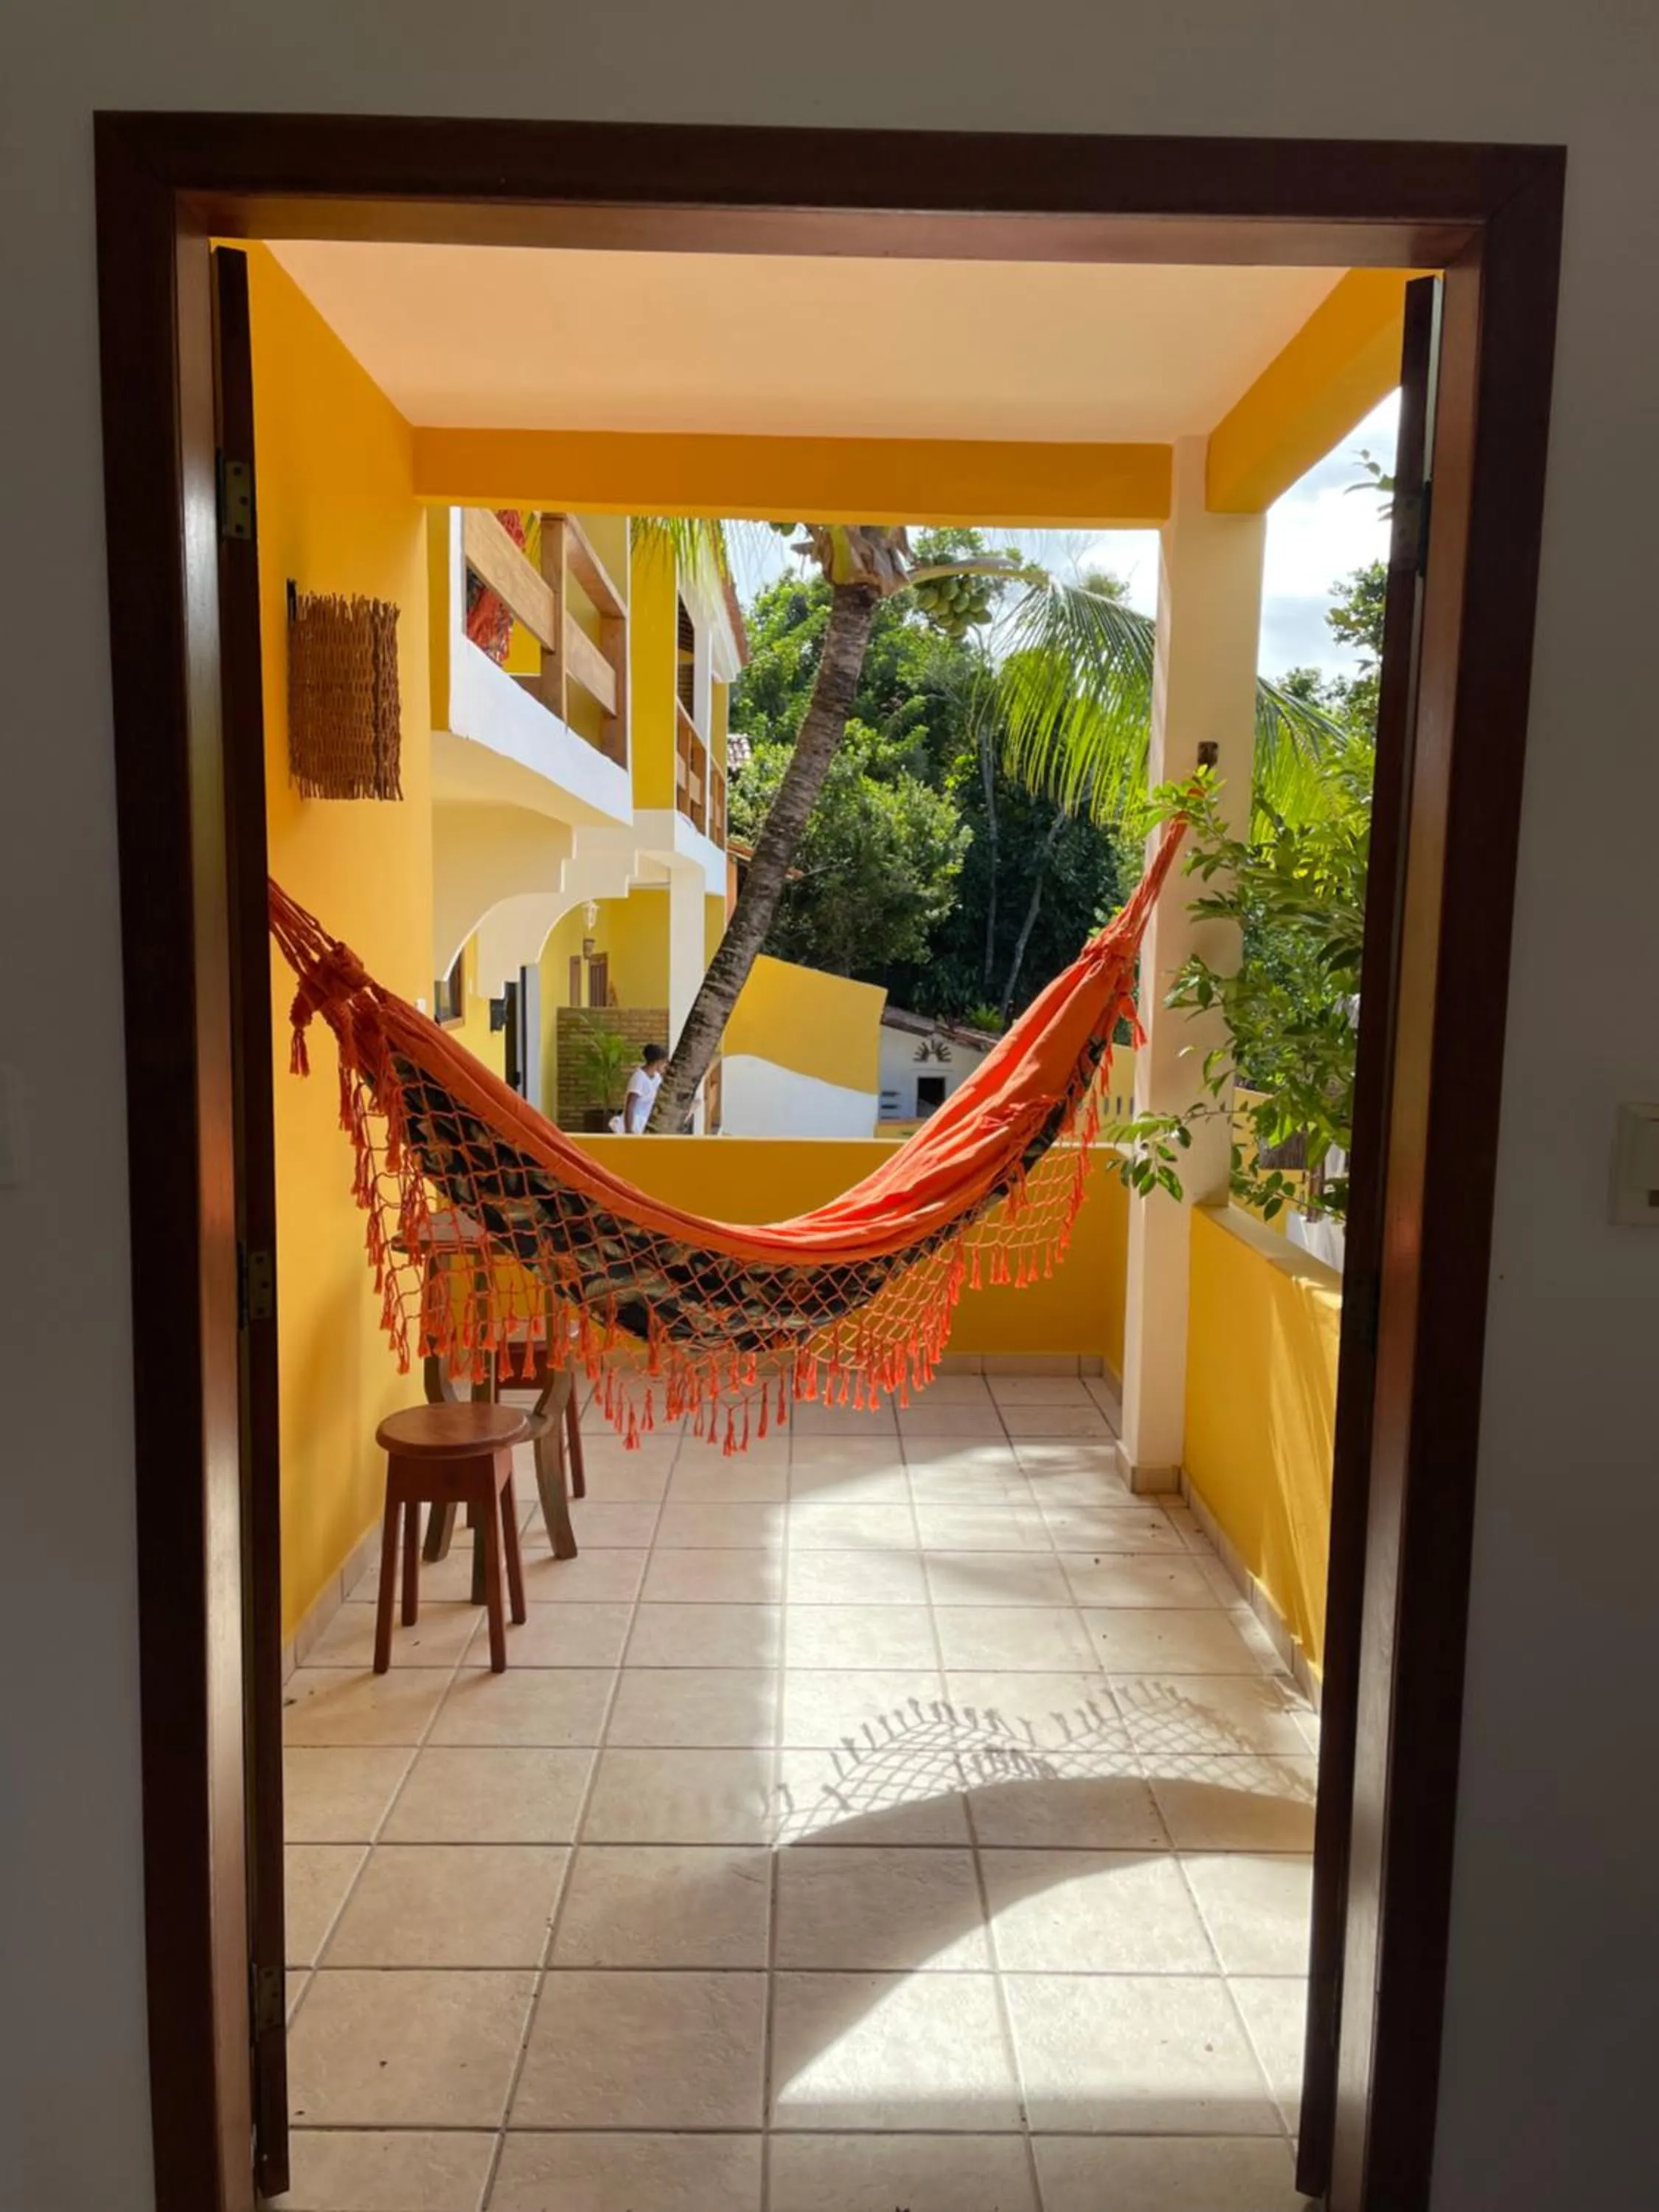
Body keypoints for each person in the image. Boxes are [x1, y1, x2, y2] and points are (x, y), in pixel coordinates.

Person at [613, 1042, 667, 1134]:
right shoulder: (639, 1078)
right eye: (664, 1062)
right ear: (658, 1062)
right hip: (635, 1122)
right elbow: (630, 1104)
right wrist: (628, 1130)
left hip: (647, 1121)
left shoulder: (657, 1077)